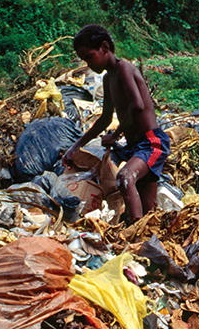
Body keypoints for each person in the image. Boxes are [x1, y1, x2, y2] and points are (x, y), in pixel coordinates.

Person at [62, 24, 170, 221]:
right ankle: (144, 240)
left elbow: (137, 104)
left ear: (104, 47)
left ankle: (136, 238)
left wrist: (116, 134)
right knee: (146, 213)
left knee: (125, 177)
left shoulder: (123, 68)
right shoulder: (108, 79)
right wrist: (75, 147)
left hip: (151, 143)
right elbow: (104, 119)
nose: (88, 64)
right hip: (135, 146)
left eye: (89, 56)